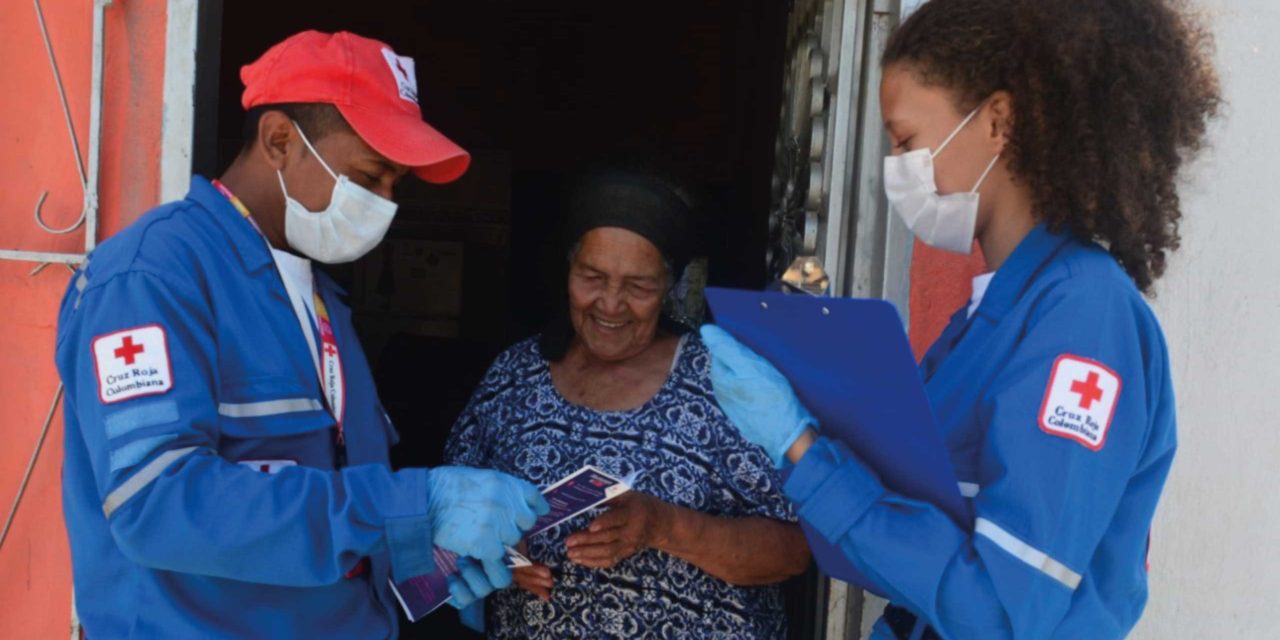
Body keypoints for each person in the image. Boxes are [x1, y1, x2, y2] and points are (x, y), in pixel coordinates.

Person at [700, 1, 1220, 638]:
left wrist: (801, 448)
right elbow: (918, 541)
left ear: (997, 121)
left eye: (906, 141)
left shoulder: (1084, 318)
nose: (896, 169)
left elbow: (1001, 615)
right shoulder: (987, 317)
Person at [54, 30, 548, 638]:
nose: (385, 203)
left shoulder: (321, 299)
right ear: (280, 140)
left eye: (396, 184)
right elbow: (160, 507)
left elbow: (331, 496)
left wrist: (426, 563)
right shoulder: (152, 278)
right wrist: (411, 504)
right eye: (369, 176)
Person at [444, 172, 810, 638]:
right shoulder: (515, 377)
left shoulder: (724, 383)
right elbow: (448, 512)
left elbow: (795, 548)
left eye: (638, 285)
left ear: (671, 285)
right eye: (592, 277)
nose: (611, 304)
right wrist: (498, 556)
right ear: (568, 269)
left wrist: (663, 526)